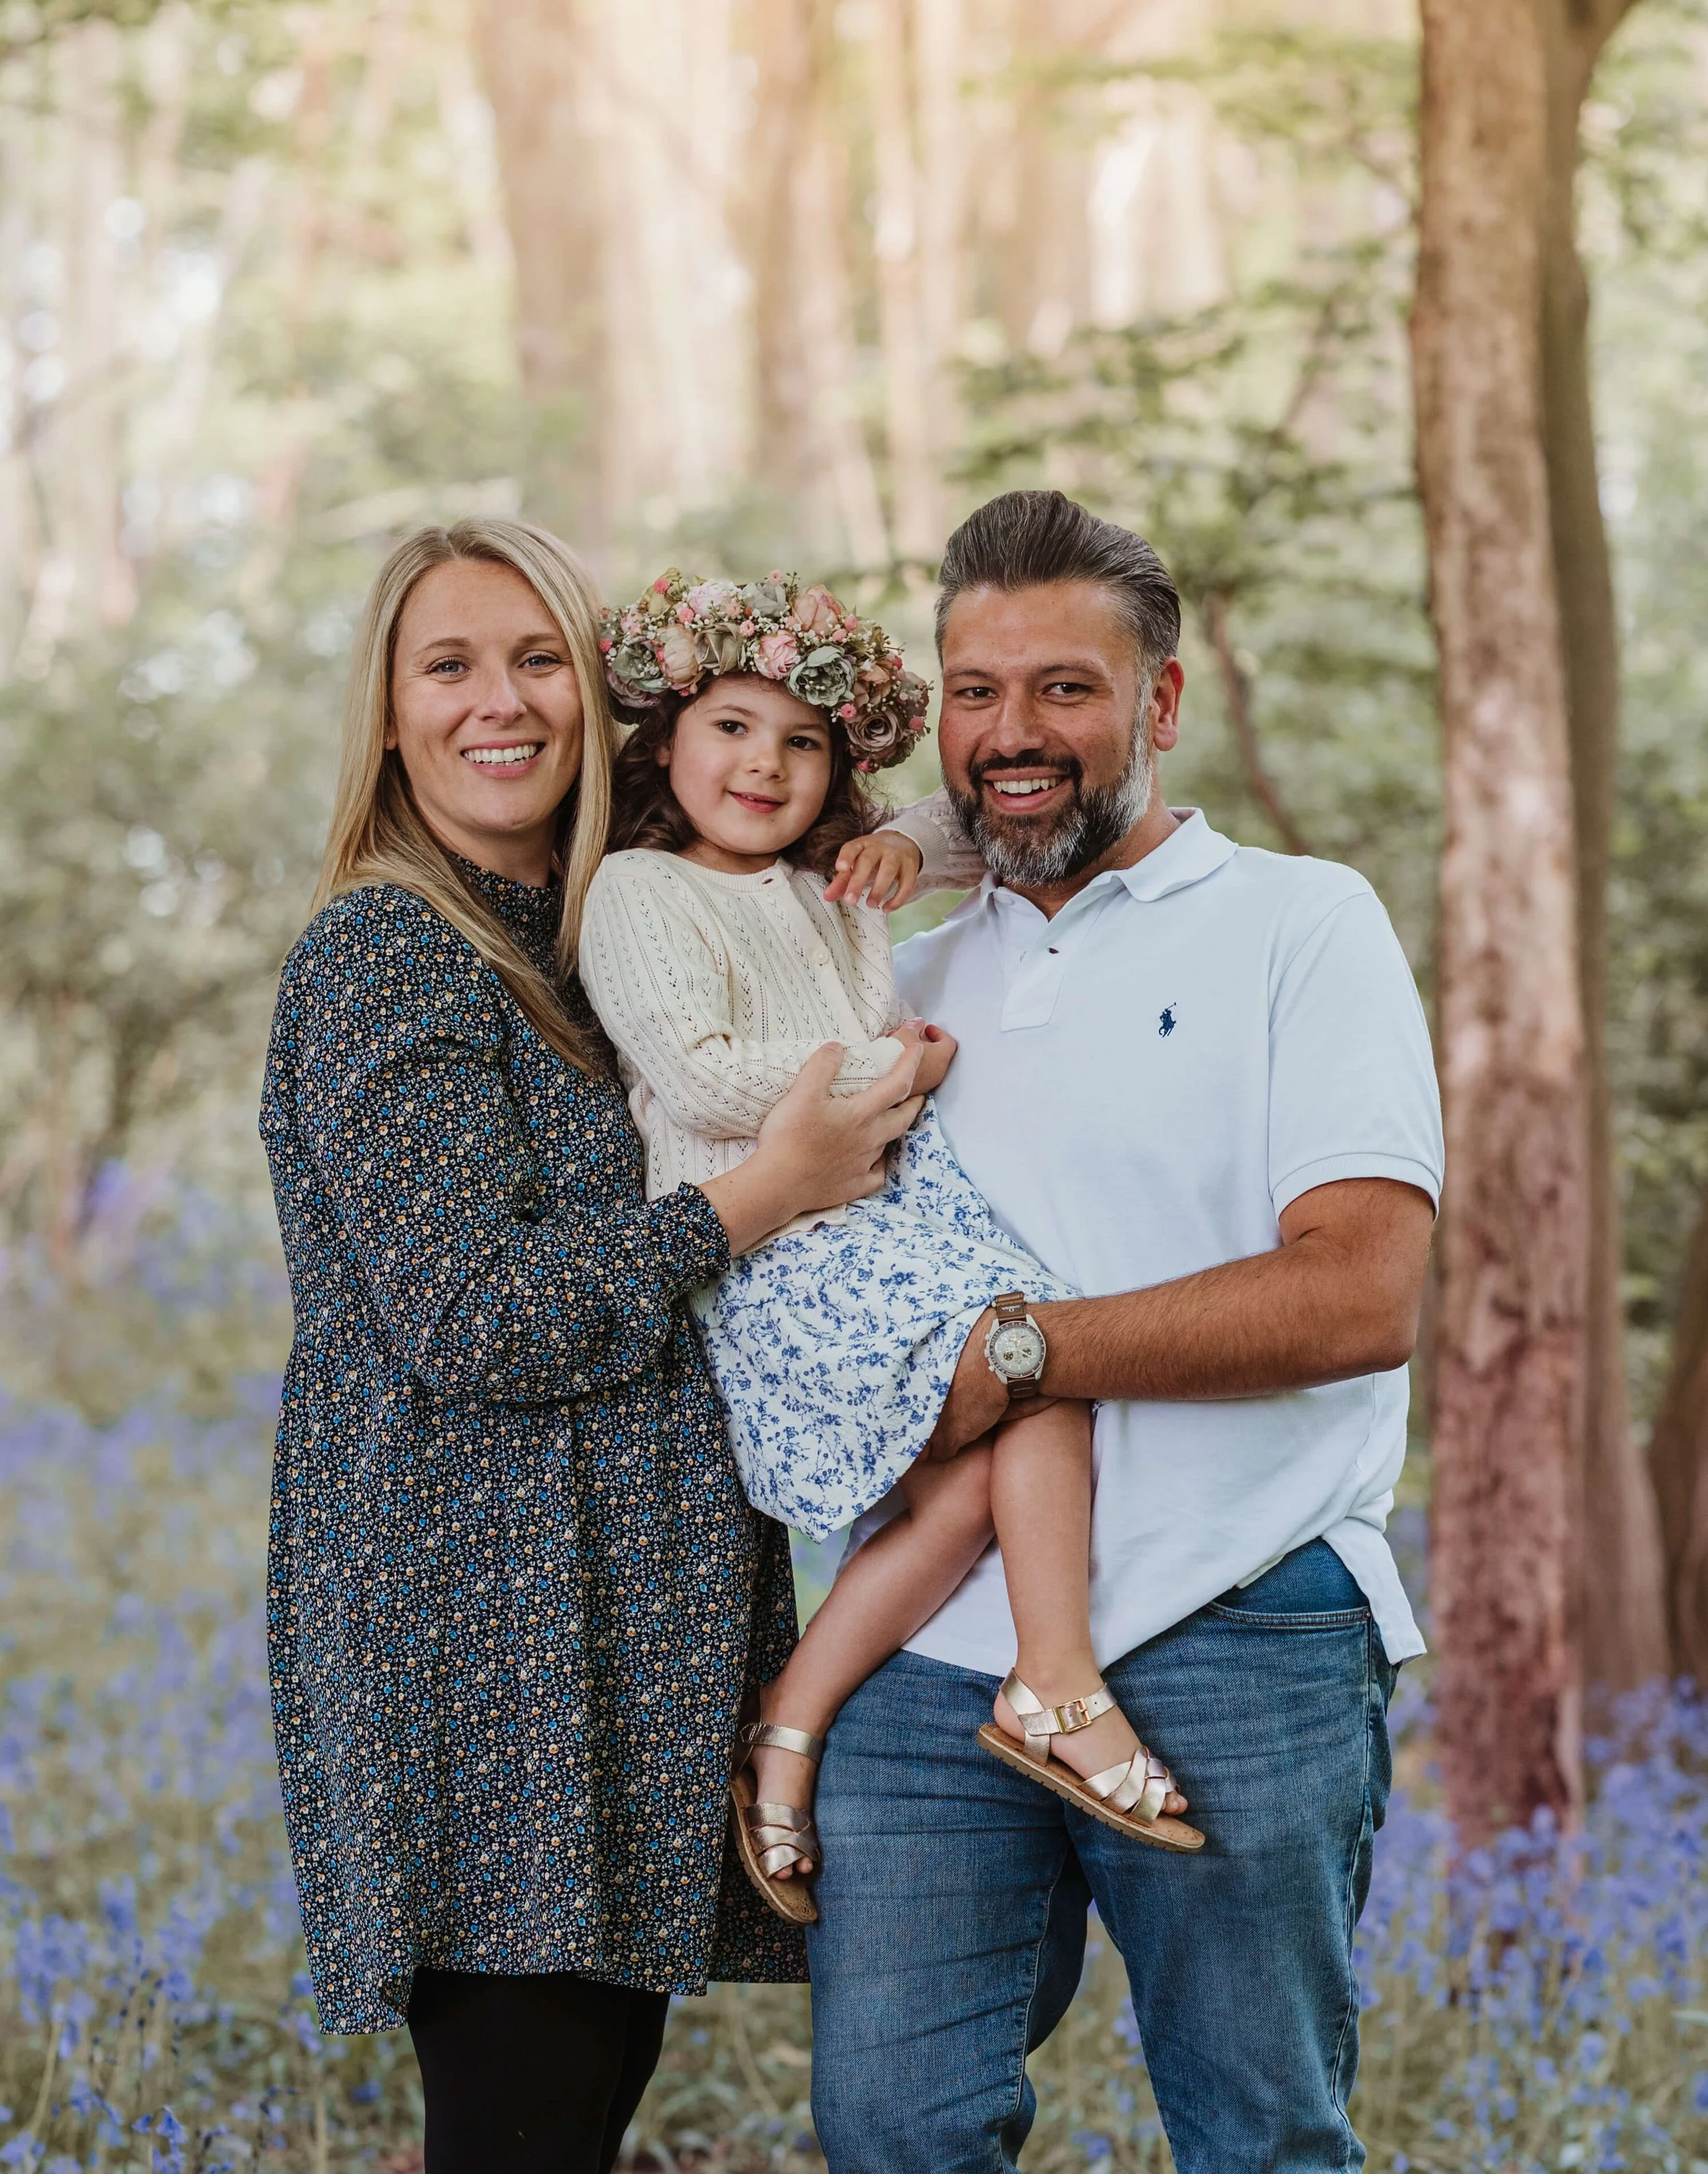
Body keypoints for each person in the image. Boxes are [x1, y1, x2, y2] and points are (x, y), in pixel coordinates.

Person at [259, 518, 927, 2174]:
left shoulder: (587, 934)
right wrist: (761, 1195)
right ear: (390, 711)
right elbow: (472, 1318)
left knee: (555, 2123)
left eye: (537, 656)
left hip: (609, 1638)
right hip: (483, 1651)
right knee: (521, 2129)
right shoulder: (385, 951)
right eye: (449, 664)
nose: (502, 701)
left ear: (598, 696)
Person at [804, 490, 1444, 2174]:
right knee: (890, 2134)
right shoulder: (898, 977)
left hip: (1238, 1622)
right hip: (929, 1650)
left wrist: (1022, 1351)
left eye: (1063, 689)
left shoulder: (1302, 927)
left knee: (1256, 2140)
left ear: (1156, 704)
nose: (1010, 734)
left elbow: (1360, 1291)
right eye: (972, 690)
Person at [577, 571, 1201, 1927]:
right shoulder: (639, 888)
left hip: (887, 1220)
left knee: (987, 1455)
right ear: (664, 742)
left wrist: (903, 846)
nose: (764, 764)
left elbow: (992, 820)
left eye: (802, 743)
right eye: (732, 728)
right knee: (1031, 1369)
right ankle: (1054, 1681)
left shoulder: (833, 883)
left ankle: (805, 1718)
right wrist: (887, 1065)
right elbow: (698, 1077)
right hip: (770, 1250)